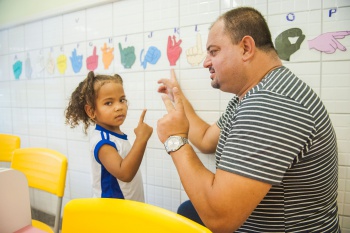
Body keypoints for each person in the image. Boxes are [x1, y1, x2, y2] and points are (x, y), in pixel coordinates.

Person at [157, 7, 340, 233]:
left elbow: (220, 219)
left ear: (246, 48)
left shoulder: (270, 105)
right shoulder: (253, 95)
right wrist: (179, 100)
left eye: (213, 51)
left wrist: (175, 141)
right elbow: (205, 140)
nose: (206, 62)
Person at [65, 71, 153, 202]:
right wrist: (141, 139)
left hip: (126, 208)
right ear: (91, 111)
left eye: (122, 100)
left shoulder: (114, 136)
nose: (119, 107)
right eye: (108, 103)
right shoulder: (103, 142)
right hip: (114, 212)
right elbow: (125, 173)